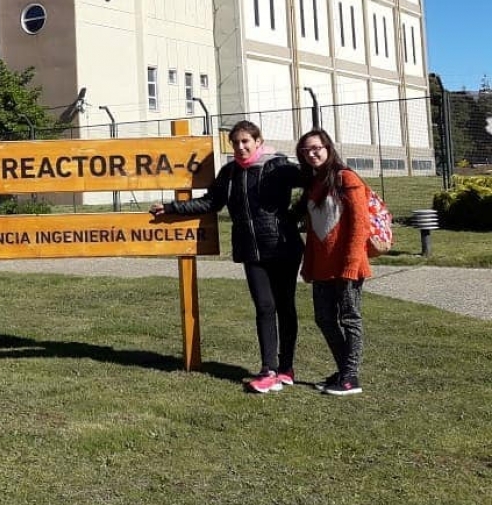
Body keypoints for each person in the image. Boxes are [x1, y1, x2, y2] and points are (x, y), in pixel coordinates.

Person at [150, 120, 303, 393]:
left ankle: (286, 367)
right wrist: (174, 207)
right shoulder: (230, 172)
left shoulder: (277, 166)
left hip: (282, 247)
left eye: (245, 141)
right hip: (250, 250)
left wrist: (296, 215)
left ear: (258, 141)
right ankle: (269, 369)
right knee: (264, 308)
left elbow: (312, 181)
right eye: (235, 143)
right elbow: (211, 202)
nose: (240, 147)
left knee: (285, 307)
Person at [296, 128, 372, 396]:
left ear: (328, 148)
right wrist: (308, 265)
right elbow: (315, 232)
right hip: (322, 268)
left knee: (350, 319)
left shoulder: (346, 178)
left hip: (347, 265)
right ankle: (344, 371)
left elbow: (359, 225)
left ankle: (350, 377)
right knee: (324, 318)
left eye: (316, 148)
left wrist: (351, 263)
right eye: (306, 150)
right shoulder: (314, 185)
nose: (312, 154)